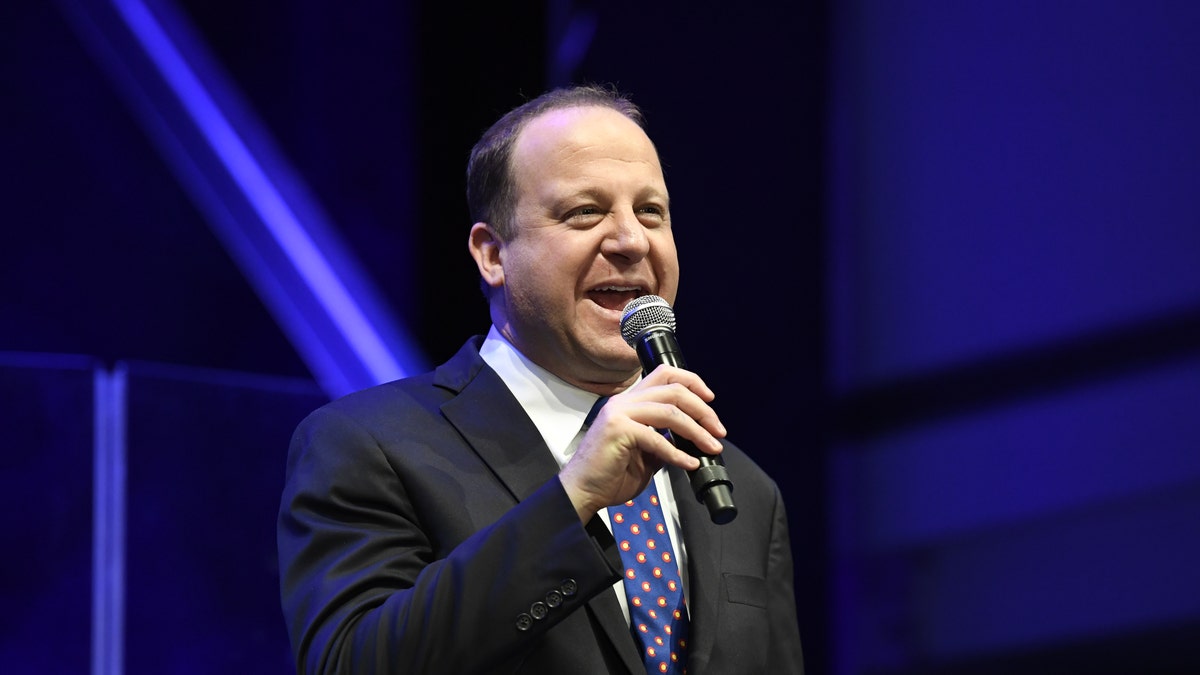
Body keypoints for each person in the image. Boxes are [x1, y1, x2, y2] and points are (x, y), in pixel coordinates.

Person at [277, 84, 804, 674]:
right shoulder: (368, 445)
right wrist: (574, 497)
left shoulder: (745, 490)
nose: (632, 240)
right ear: (492, 254)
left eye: (651, 211)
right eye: (585, 211)